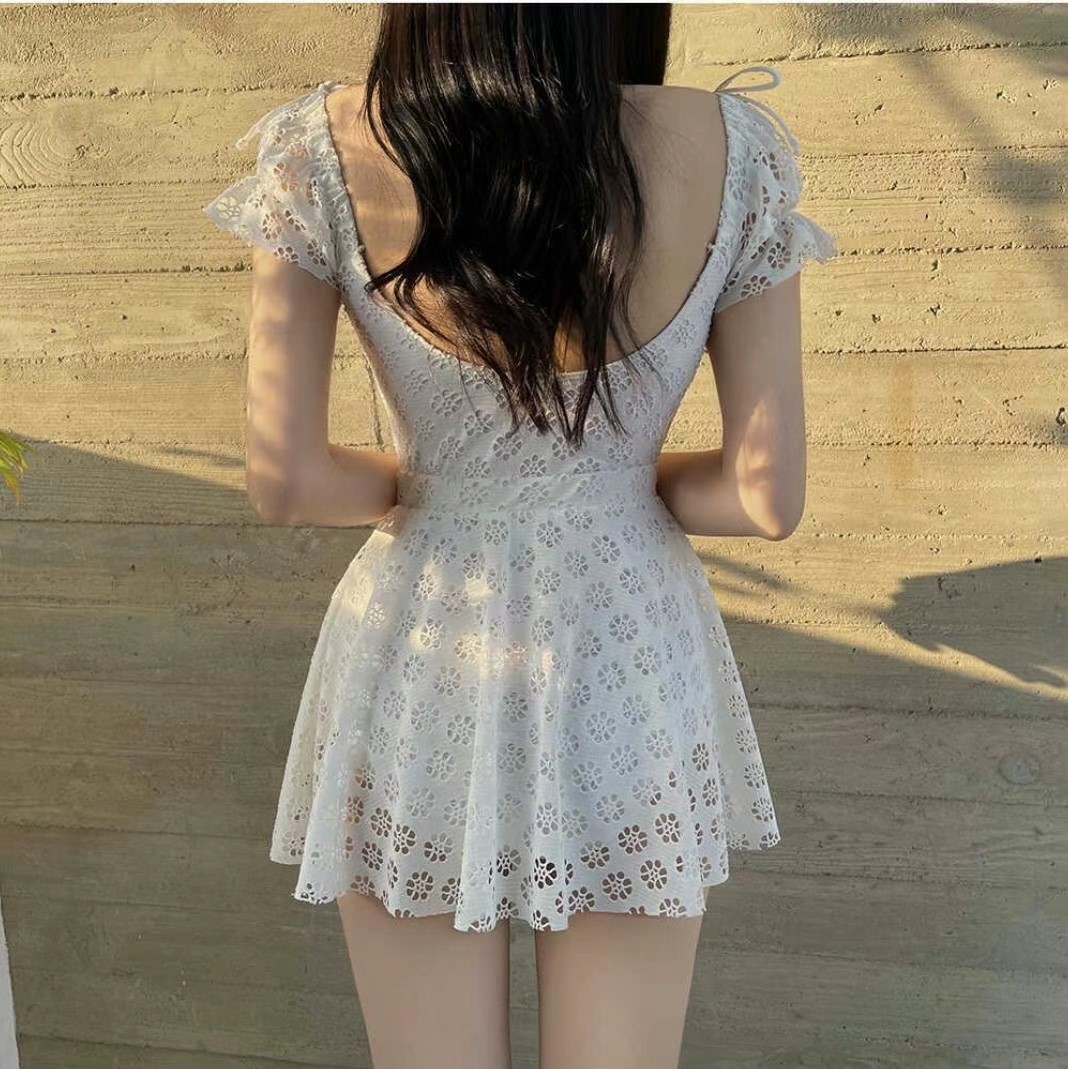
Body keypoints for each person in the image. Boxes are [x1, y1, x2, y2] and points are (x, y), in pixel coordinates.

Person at [203, 5, 836, 1068]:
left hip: (421, 651)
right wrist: (610, 480)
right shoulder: (729, 147)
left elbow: (289, 480)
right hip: (626, 653)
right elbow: (762, 495)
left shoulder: (325, 147)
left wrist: (446, 482)